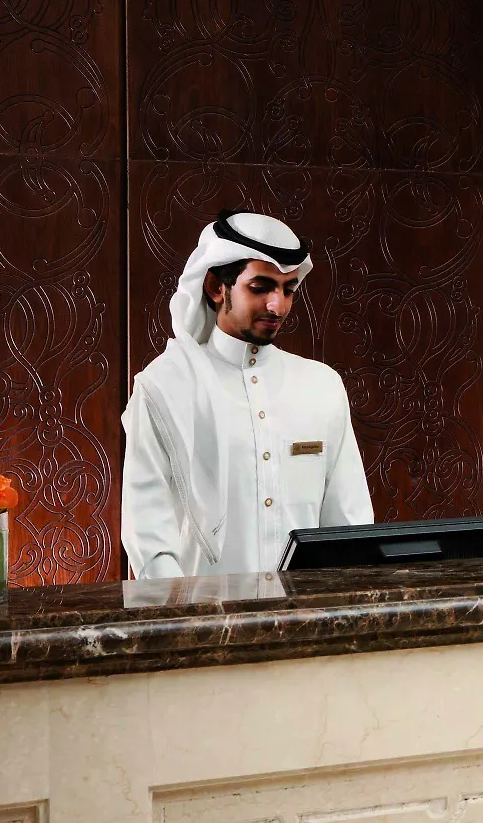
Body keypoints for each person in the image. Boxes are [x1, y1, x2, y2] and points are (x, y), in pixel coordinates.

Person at [121, 210, 373, 578]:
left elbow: (350, 530)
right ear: (215, 287)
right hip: (202, 624)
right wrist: (189, 625)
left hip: (309, 624)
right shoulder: (164, 387)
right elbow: (150, 542)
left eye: (288, 290)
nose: (278, 306)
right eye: (261, 287)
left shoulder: (322, 387)